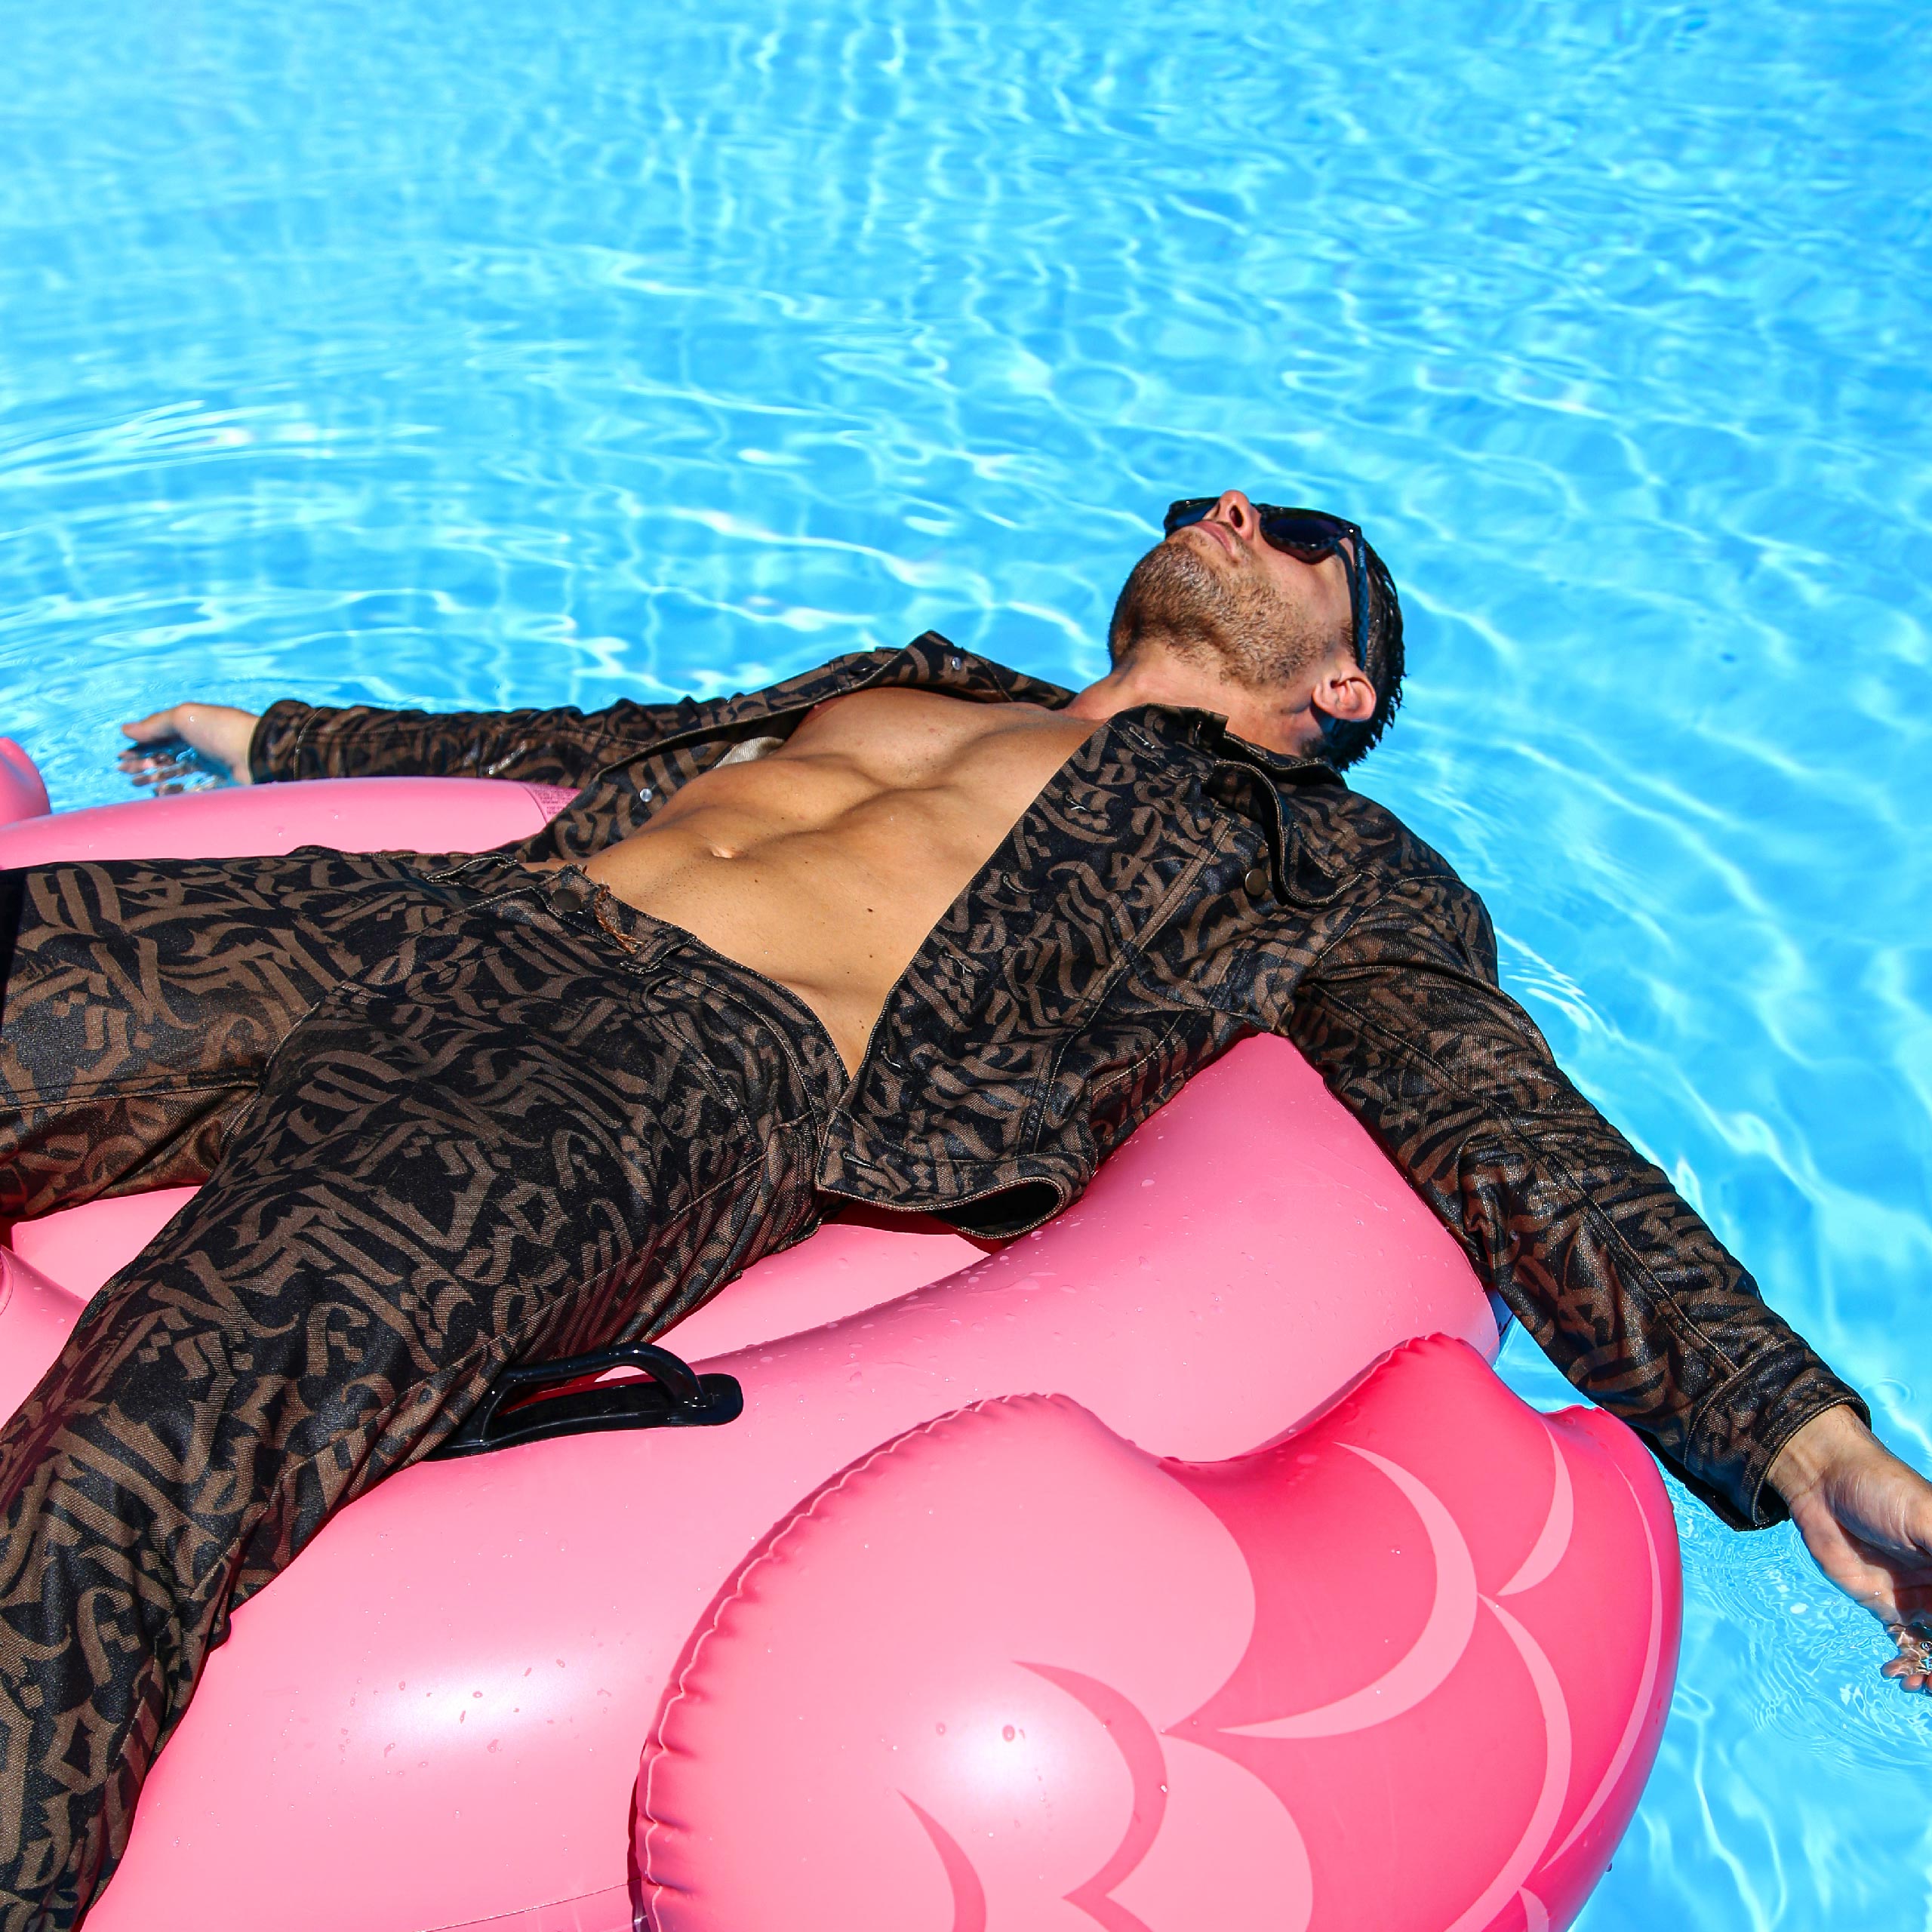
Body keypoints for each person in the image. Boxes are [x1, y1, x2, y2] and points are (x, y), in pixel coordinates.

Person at [1, 489, 1927, 1927]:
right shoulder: (917, 673)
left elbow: (1497, 1116)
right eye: (1212, 504)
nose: (1223, 510)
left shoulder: (1321, 862)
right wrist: (294, 740)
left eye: (1288, 530)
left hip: (656, 1060)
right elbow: (600, 741)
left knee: (152, 1434)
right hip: (441, 914)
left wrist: (1792, 1424)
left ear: (1343, 685)